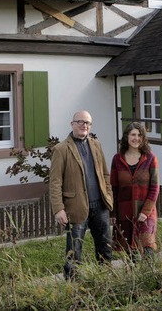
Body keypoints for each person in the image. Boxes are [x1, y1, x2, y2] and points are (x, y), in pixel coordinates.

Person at [49, 110, 114, 279]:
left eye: (88, 123)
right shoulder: (61, 149)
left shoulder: (96, 145)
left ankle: (106, 280)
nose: (84, 125)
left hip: (100, 206)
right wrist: (58, 209)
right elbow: (55, 182)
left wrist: (109, 198)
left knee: (105, 247)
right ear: (72, 124)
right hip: (76, 208)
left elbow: (105, 174)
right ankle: (72, 287)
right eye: (80, 122)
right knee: (74, 251)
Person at [110, 122, 160, 260]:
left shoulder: (150, 158)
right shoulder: (117, 159)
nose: (136, 138)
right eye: (133, 134)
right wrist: (113, 212)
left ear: (143, 138)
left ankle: (152, 277)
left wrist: (146, 211)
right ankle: (133, 280)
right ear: (127, 136)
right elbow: (113, 188)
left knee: (148, 249)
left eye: (139, 135)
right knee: (131, 253)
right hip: (124, 212)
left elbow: (155, 187)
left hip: (146, 212)